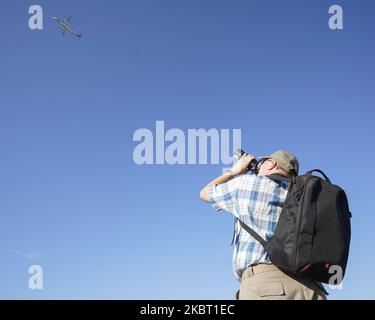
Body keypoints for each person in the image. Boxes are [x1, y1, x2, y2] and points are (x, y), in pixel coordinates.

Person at [200, 150, 327, 300]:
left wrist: (235, 171)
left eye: (262, 162)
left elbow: (205, 193)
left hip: (267, 287)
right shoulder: (308, 197)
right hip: (313, 288)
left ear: (272, 163)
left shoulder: (247, 183)